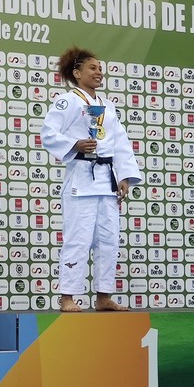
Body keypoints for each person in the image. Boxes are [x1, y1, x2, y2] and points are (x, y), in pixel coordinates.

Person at [40, 46, 142, 312]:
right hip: (82, 179)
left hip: (107, 181)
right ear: (77, 72)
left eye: (100, 68)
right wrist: (75, 144)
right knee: (78, 238)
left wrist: (125, 176)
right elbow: (48, 134)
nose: (99, 72)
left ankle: (104, 296)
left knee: (109, 239)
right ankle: (68, 296)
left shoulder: (108, 106)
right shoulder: (68, 101)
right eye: (92, 68)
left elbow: (120, 143)